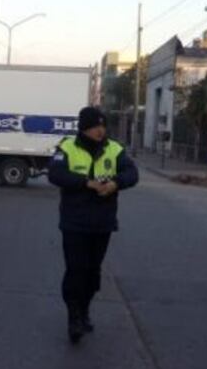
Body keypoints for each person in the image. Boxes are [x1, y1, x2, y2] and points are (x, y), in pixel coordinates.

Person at [47, 106, 139, 344]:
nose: (100, 130)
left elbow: (132, 173)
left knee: (92, 272)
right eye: (94, 126)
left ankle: (85, 308)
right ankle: (74, 317)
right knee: (75, 270)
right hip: (74, 223)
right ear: (83, 128)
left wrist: (116, 183)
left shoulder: (114, 149)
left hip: (102, 223)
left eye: (102, 125)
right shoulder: (67, 147)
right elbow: (55, 174)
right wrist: (86, 183)